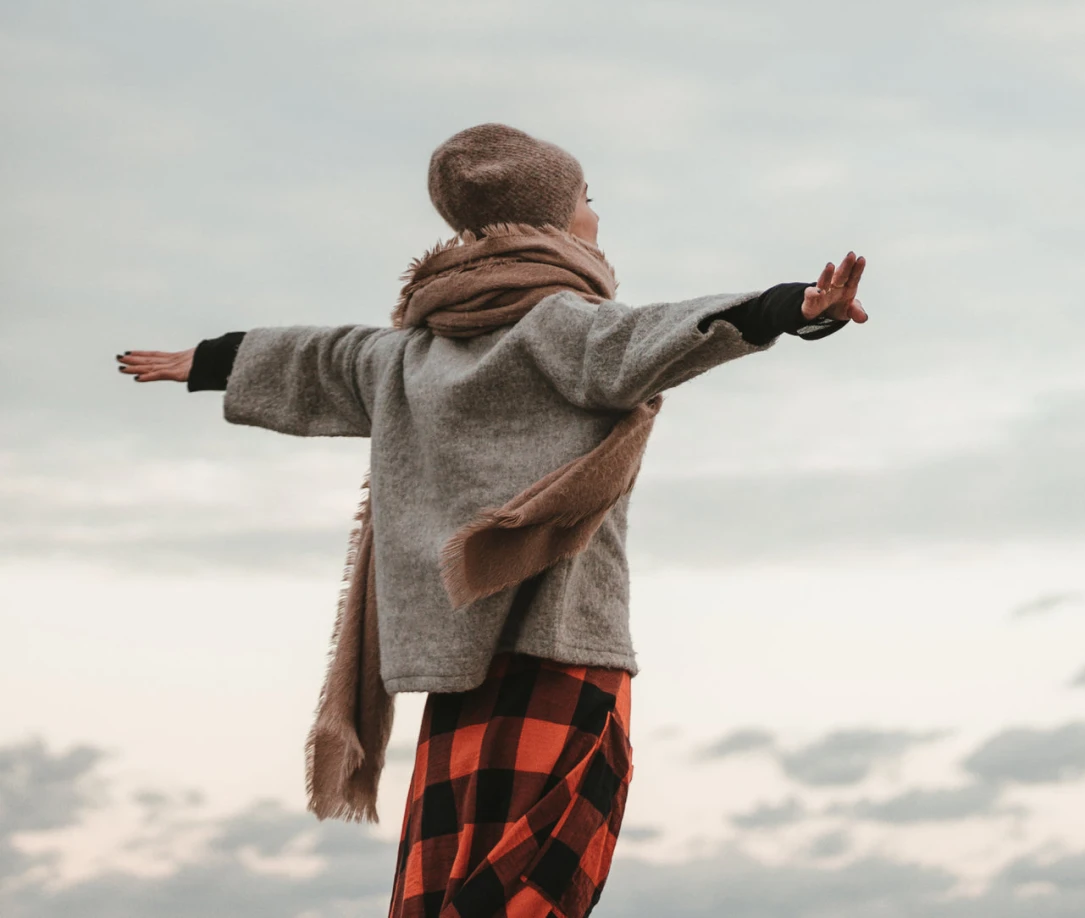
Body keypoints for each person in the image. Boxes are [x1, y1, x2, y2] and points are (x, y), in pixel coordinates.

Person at [117, 120, 869, 918]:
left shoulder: (408, 357)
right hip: (563, 653)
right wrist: (794, 307)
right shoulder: (562, 327)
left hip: (458, 662)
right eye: (585, 199)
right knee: (536, 882)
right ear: (548, 223)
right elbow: (655, 336)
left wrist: (209, 360)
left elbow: (319, 359)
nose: (596, 214)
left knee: (447, 885)